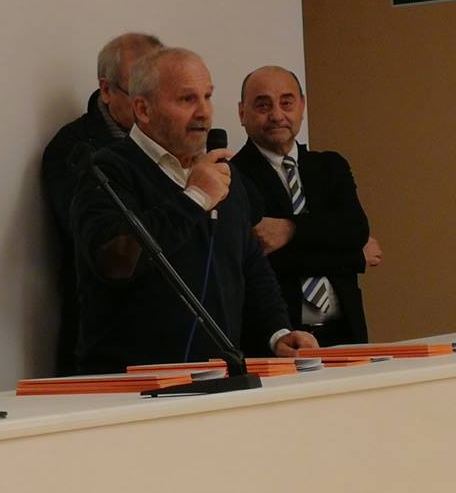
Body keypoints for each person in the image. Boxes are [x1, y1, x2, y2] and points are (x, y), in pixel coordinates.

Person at [70, 48, 317, 373]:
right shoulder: (107, 171)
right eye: (187, 99)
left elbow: (251, 265)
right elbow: (117, 259)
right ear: (143, 109)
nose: (204, 112)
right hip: (131, 385)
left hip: (217, 377)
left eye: (207, 97)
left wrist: (278, 332)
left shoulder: (225, 176)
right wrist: (195, 198)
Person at [233, 66, 380, 348]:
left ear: (302, 106)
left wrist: (289, 229)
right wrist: (354, 258)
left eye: (286, 103)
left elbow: (354, 229)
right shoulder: (233, 176)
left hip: (344, 331)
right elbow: (264, 262)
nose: (277, 115)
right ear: (242, 113)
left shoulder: (330, 166)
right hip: (278, 339)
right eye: (263, 105)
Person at [41, 32, 162, 374]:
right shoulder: (76, 150)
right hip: (110, 340)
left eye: (157, 91)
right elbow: (101, 241)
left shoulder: (176, 143)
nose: (148, 105)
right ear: (107, 90)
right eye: (137, 92)